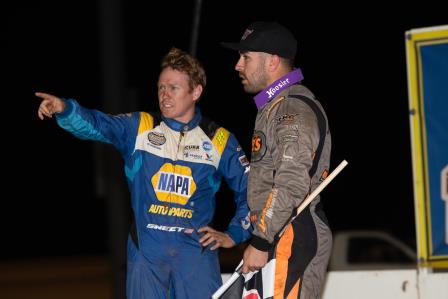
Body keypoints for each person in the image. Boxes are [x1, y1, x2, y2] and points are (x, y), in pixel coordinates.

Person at [36, 47, 252, 299]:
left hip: (196, 258)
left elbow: (250, 189)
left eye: (174, 88)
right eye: (161, 87)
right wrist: (65, 109)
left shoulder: (220, 139)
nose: (164, 95)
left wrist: (234, 234)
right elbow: (98, 125)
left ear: (196, 92)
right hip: (147, 258)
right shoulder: (140, 126)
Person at [221, 21, 332, 298]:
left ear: (272, 61)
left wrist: (260, 241)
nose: (238, 65)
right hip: (278, 233)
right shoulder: (274, 105)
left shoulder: (291, 108)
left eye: (246, 57)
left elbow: (291, 183)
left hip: (291, 233)